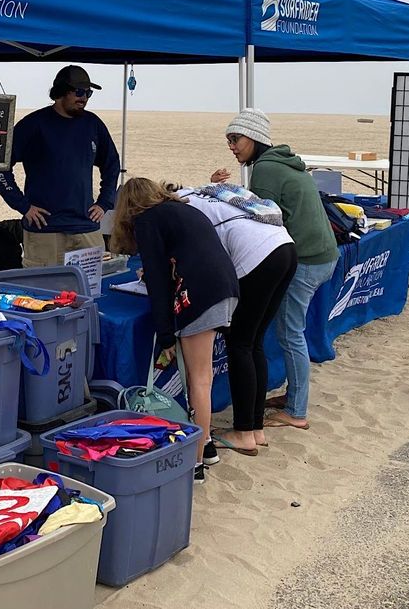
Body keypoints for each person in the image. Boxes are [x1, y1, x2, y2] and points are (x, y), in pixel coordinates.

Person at [211, 109, 337, 431]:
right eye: (228, 140)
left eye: (236, 139)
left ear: (253, 138)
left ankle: (297, 410)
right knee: (286, 331)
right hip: (324, 254)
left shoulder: (265, 169)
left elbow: (261, 222)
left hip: (307, 259)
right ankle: (294, 394)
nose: (232, 147)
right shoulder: (282, 161)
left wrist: (218, 196)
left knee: (290, 333)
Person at [109, 178, 239, 484]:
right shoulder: (180, 209)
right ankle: (206, 448)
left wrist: (165, 335)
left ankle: (193, 465)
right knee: (202, 377)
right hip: (225, 287)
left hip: (201, 295)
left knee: (199, 381)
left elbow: (156, 280)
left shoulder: (147, 219)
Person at [168, 183, 297, 455]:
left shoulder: (180, 208)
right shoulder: (202, 194)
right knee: (254, 342)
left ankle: (243, 433)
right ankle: (256, 428)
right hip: (284, 246)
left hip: (257, 256)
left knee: (240, 344)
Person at [0, 65, 120, 268]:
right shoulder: (33, 125)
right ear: (61, 92)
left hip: (86, 229)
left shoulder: (93, 124)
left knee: (89, 295)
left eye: (88, 93)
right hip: (45, 233)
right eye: (79, 92)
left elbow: (112, 164)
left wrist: (105, 202)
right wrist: (22, 205)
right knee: (42, 296)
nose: (84, 98)